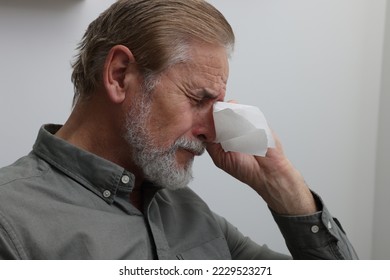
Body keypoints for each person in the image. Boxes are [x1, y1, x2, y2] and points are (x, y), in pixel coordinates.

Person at [0, 0, 358, 260]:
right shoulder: (11, 222)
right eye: (198, 99)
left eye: (217, 105)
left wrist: (280, 183)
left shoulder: (190, 212)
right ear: (120, 74)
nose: (211, 129)